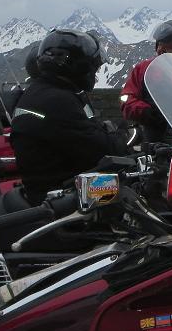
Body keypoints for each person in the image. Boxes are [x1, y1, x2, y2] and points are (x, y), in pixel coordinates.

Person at [9, 29, 129, 204]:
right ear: (78, 67)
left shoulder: (37, 92)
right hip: (61, 197)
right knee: (130, 192)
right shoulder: (58, 101)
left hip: (45, 186)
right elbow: (102, 150)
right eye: (92, 68)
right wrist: (121, 135)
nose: (94, 75)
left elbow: (78, 135)